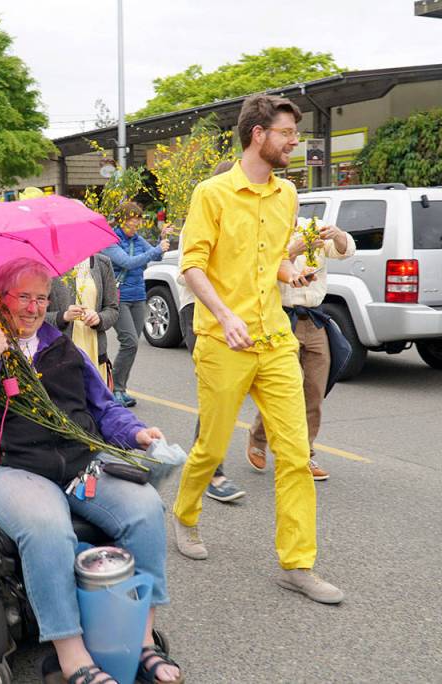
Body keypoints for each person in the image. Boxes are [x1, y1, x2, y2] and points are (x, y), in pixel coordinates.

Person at [0, 257, 182, 684]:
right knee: (47, 525)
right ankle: (71, 656)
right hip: (5, 467)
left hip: (77, 464)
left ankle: (141, 641)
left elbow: (103, 408)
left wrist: (136, 433)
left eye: (42, 298)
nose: (34, 308)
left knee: (144, 508)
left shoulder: (63, 349)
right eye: (23, 297)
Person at [170, 94, 343, 604]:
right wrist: (225, 316)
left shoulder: (287, 193)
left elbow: (273, 259)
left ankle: (297, 563)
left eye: (295, 134)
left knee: (296, 453)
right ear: (258, 134)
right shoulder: (212, 193)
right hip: (222, 339)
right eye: (287, 133)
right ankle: (184, 514)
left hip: (275, 339)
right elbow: (192, 265)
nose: (294, 143)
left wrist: (292, 273)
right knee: (212, 446)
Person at [246, 215, 355, 482]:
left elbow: (345, 250)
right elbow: (259, 269)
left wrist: (337, 234)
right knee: (282, 388)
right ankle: (258, 438)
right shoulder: (265, 229)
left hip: (314, 318)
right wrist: (292, 251)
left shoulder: (312, 227)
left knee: (314, 390)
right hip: (282, 318)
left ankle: (305, 453)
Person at [176, 160, 247, 504]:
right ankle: (209, 471)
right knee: (217, 391)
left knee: (229, 392)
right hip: (199, 313)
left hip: (236, 315)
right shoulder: (203, 216)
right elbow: (189, 271)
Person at [101, 201, 170, 407]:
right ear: (122, 220)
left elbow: (157, 256)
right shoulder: (110, 241)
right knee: (129, 341)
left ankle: (120, 388)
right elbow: (127, 262)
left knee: (132, 345)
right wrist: (155, 249)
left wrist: (163, 239)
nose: (137, 223)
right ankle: (115, 389)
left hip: (138, 296)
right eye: (133, 219)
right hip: (118, 298)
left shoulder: (138, 239)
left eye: (139, 219)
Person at [45, 253, 119, 374]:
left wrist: (99, 318)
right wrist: (62, 317)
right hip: (61, 354)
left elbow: (112, 309)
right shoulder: (50, 264)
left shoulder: (102, 263)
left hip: (94, 352)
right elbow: (36, 315)